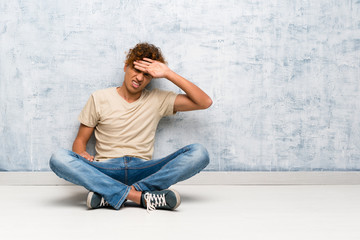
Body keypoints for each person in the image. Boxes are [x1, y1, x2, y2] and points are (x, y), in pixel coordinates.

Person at [50, 42, 212, 212]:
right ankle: (139, 197)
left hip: (144, 170)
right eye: (136, 70)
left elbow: (204, 102)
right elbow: (80, 141)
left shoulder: (158, 99)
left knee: (199, 153)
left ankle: (110, 195)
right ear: (126, 67)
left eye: (147, 74)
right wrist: (81, 152)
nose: (140, 78)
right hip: (105, 169)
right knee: (58, 157)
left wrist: (168, 73)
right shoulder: (99, 98)